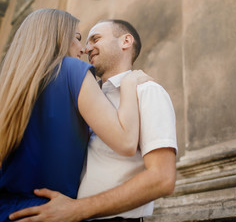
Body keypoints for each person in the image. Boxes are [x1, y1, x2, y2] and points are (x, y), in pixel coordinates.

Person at [9, 19, 178, 222]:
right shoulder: (81, 96)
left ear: (126, 41)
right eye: (84, 41)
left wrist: (78, 209)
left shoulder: (148, 91)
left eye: (95, 39)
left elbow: (162, 178)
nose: (87, 48)